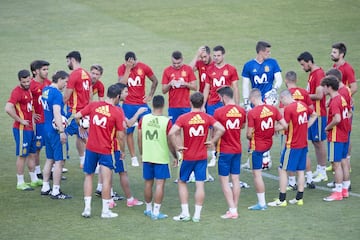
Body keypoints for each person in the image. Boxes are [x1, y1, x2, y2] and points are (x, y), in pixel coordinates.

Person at [168, 92, 225, 222]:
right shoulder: (207, 117)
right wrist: (213, 141)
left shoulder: (183, 118)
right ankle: (197, 215)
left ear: (190, 102)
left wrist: (177, 146)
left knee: (182, 182)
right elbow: (221, 129)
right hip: (201, 156)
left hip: (187, 156)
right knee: (200, 185)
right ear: (202, 103)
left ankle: (185, 213)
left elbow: (171, 133)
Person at [76, 84, 126, 218]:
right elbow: (121, 136)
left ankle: (87, 209)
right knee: (106, 180)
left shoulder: (94, 105)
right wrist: (122, 150)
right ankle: (105, 211)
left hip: (91, 148)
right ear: (117, 97)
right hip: (106, 150)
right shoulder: (117, 112)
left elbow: (77, 115)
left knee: (88, 176)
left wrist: (82, 126)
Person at [268, 89, 317, 207]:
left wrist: (272, 129)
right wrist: (306, 126)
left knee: (282, 169)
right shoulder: (303, 105)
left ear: (285, 97)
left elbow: (285, 125)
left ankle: (282, 199)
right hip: (303, 144)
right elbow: (314, 114)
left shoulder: (289, 108)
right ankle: (299, 198)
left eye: (281, 100)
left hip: (292, 144)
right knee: (300, 171)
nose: (282, 103)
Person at [241, 41, 282, 168]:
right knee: (253, 130)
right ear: (260, 51)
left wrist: (274, 91)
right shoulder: (249, 65)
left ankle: (266, 158)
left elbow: (279, 79)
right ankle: (252, 158)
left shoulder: (272, 63)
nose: (269, 54)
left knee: (266, 128)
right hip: (255, 101)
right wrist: (247, 102)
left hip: (268, 101)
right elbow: (245, 85)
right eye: (267, 51)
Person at [246, 88, 286, 210]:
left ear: (253, 98)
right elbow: (284, 125)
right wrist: (273, 130)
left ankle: (262, 203)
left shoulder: (252, 113)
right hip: (268, 143)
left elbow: (248, 134)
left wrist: (251, 135)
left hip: (256, 146)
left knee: (257, 174)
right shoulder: (272, 109)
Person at [138, 95, 176, 220]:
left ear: (152, 104)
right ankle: (156, 212)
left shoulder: (144, 119)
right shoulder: (166, 121)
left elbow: (139, 137)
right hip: (160, 157)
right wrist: (175, 155)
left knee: (148, 183)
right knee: (160, 184)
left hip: (147, 156)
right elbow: (170, 141)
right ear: (163, 105)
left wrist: (141, 153)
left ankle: (148, 209)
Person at [118, 51, 158, 167]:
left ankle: (147, 154)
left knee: (149, 127)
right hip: (128, 104)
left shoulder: (143, 67)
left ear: (136, 59)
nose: (132, 64)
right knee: (128, 131)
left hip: (142, 104)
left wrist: (150, 95)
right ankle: (133, 157)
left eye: (133, 62)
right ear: (125, 61)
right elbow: (121, 84)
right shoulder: (122, 69)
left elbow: (155, 80)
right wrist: (128, 69)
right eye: (129, 62)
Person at [5, 69, 42, 190]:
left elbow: (27, 107)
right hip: (21, 129)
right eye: (24, 82)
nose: (26, 84)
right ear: (19, 81)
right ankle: (20, 182)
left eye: (28, 81)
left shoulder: (29, 89)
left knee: (32, 153)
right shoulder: (16, 92)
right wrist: (20, 120)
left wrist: (31, 115)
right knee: (22, 155)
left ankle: (34, 179)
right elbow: (8, 108)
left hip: (30, 128)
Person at [202, 45, 239, 166]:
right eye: (214, 56)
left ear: (223, 55)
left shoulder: (231, 69)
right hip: (212, 103)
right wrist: (203, 104)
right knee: (213, 129)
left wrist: (237, 105)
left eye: (218, 55)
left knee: (228, 128)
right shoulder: (210, 70)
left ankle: (226, 151)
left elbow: (235, 87)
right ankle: (213, 155)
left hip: (226, 104)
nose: (216, 58)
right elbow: (207, 87)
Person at [213, 86, 246, 219]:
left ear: (224, 97)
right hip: (237, 148)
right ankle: (234, 207)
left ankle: (232, 210)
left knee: (224, 181)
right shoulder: (241, 110)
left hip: (225, 150)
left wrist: (213, 145)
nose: (220, 100)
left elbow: (216, 130)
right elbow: (242, 125)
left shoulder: (219, 112)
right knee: (236, 179)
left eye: (220, 97)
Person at [281, 71, 316, 190]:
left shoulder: (286, 95)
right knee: (304, 154)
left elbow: (282, 114)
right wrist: (306, 125)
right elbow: (311, 110)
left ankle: (291, 182)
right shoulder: (304, 92)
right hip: (302, 129)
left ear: (286, 80)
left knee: (288, 156)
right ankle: (309, 178)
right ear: (296, 80)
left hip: (290, 131)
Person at [297, 51, 328, 183]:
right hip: (314, 113)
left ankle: (323, 171)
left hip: (319, 114)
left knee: (319, 142)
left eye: (303, 64)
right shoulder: (313, 74)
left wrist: (302, 95)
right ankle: (320, 169)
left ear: (309, 62)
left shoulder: (319, 74)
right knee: (316, 142)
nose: (302, 67)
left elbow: (320, 95)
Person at [40, 71, 71, 199]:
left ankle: (45, 186)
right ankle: (56, 191)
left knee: (49, 158)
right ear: (59, 79)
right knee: (59, 162)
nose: (66, 84)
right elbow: (57, 113)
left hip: (46, 128)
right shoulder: (57, 94)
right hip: (55, 131)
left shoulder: (46, 90)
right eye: (65, 81)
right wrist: (62, 131)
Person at [321, 76, 351, 201]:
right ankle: (344, 189)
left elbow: (337, 119)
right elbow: (348, 113)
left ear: (328, 87)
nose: (322, 89)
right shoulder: (342, 98)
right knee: (344, 162)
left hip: (336, 136)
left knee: (336, 165)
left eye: (323, 87)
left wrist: (327, 127)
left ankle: (337, 192)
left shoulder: (334, 101)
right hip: (344, 135)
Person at [63, 51, 92, 168]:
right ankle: (84, 160)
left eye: (68, 61)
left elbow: (66, 97)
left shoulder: (74, 75)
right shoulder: (86, 74)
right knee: (81, 135)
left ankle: (59, 163)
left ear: (73, 60)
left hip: (75, 112)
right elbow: (90, 94)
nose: (67, 63)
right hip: (84, 111)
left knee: (60, 132)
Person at [30, 60, 52, 179]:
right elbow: (26, 102)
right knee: (37, 148)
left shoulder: (48, 83)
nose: (46, 72)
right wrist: (31, 114)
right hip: (39, 122)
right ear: (36, 71)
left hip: (49, 121)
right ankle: (38, 172)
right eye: (44, 69)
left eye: (47, 69)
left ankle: (51, 170)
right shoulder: (31, 85)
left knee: (51, 145)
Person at [162, 50, 197, 123]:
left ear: (182, 59)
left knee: (186, 128)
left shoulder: (188, 69)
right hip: (173, 107)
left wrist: (185, 84)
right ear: (171, 60)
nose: (176, 65)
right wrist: (170, 84)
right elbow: (163, 90)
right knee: (173, 130)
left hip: (186, 106)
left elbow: (195, 87)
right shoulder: (167, 71)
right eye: (174, 63)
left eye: (178, 63)